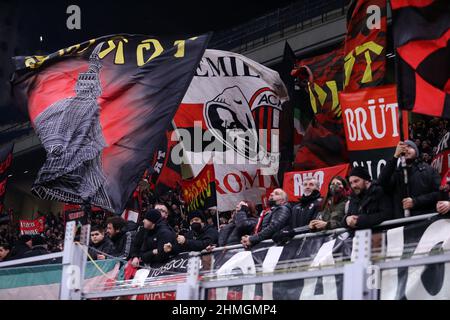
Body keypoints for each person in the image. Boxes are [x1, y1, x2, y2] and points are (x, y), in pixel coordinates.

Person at [378, 140, 441, 218]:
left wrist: (415, 202)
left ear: (416, 151)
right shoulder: (396, 173)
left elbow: (438, 193)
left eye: (409, 147)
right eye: (403, 148)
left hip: (424, 221)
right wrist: (395, 157)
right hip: (401, 224)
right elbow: (381, 182)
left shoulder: (429, 170)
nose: (406, 149)